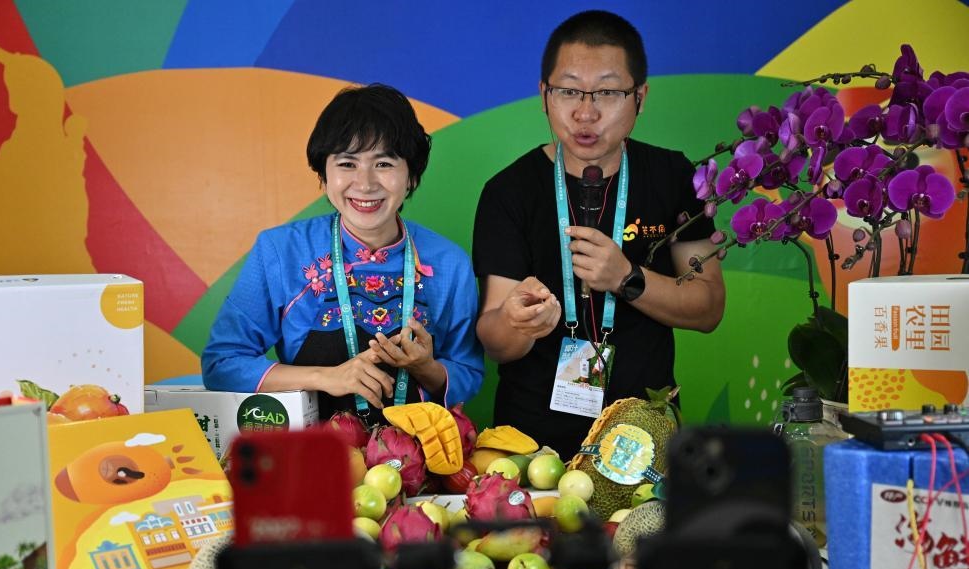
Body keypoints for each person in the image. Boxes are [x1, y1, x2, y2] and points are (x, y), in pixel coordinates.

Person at [473, 10, 725, 459]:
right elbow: (495, 341)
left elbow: (708, 306)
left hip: (643, 435)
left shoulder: (674, 176)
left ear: (640, 97)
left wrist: (627, 278)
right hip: (531, 442)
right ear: (544, 95)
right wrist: (516, 322)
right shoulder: (508, 191)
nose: (585, 112)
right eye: (569, 90)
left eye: (608, 92)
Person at [203, 84, 483, 423]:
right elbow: (222, 364)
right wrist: (326, 377)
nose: (365, 184)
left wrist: (426, 368)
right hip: (314, 449)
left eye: (383, 163)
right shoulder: (281, 251)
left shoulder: (450, 263)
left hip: (417, 451)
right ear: (323, 175)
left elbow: (469, 373)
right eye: (347, 163)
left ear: (411, 175)